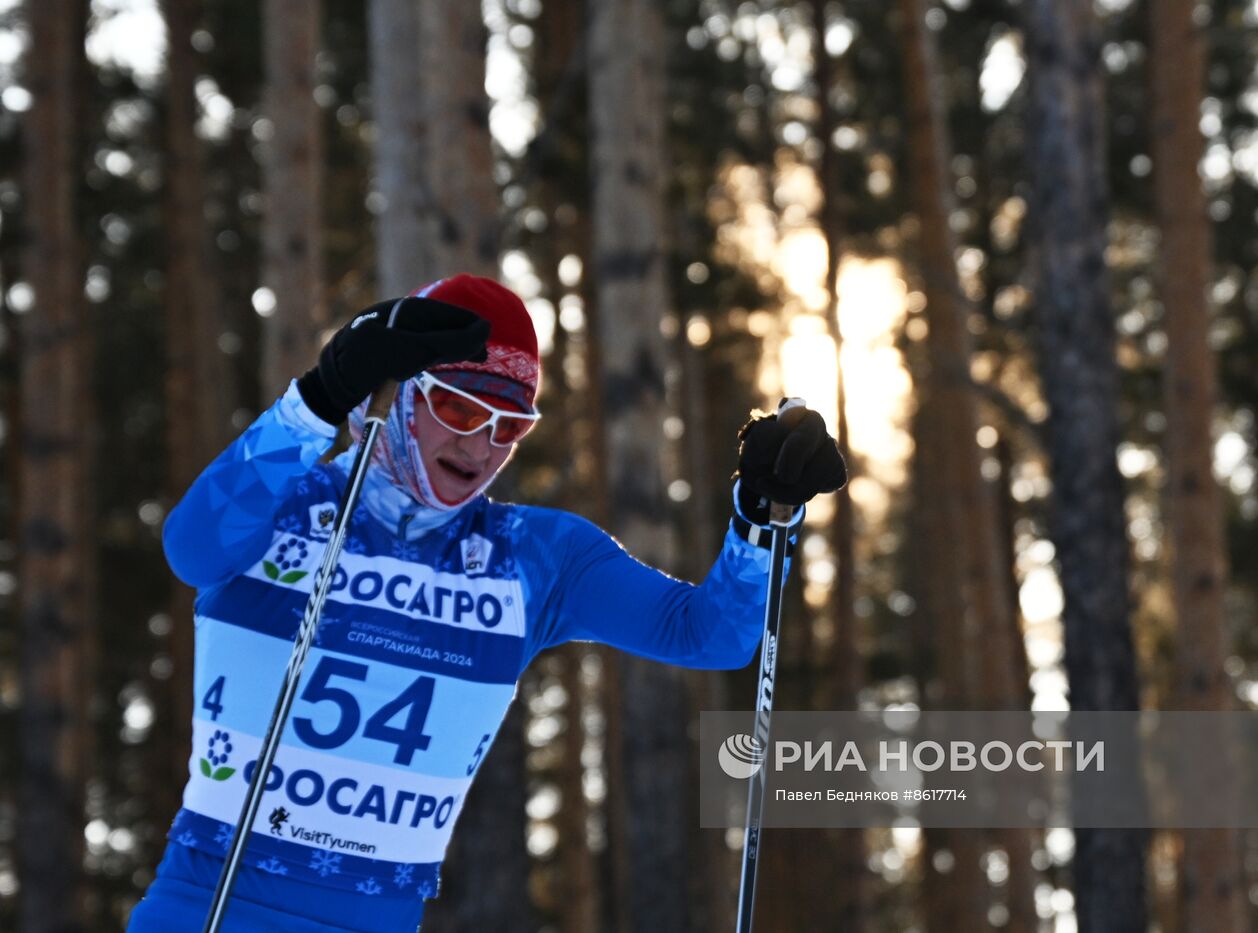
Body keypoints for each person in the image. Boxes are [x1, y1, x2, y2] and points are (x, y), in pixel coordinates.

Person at [127, 273, 846, 932]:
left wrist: (760, 518)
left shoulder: (535, 556)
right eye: (455, 406)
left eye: (509, 425)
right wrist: (318, 397)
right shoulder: (284, 500)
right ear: (401, 395)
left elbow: (708, 635)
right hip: (209, 905)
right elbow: (193, 550)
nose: (481, 444)